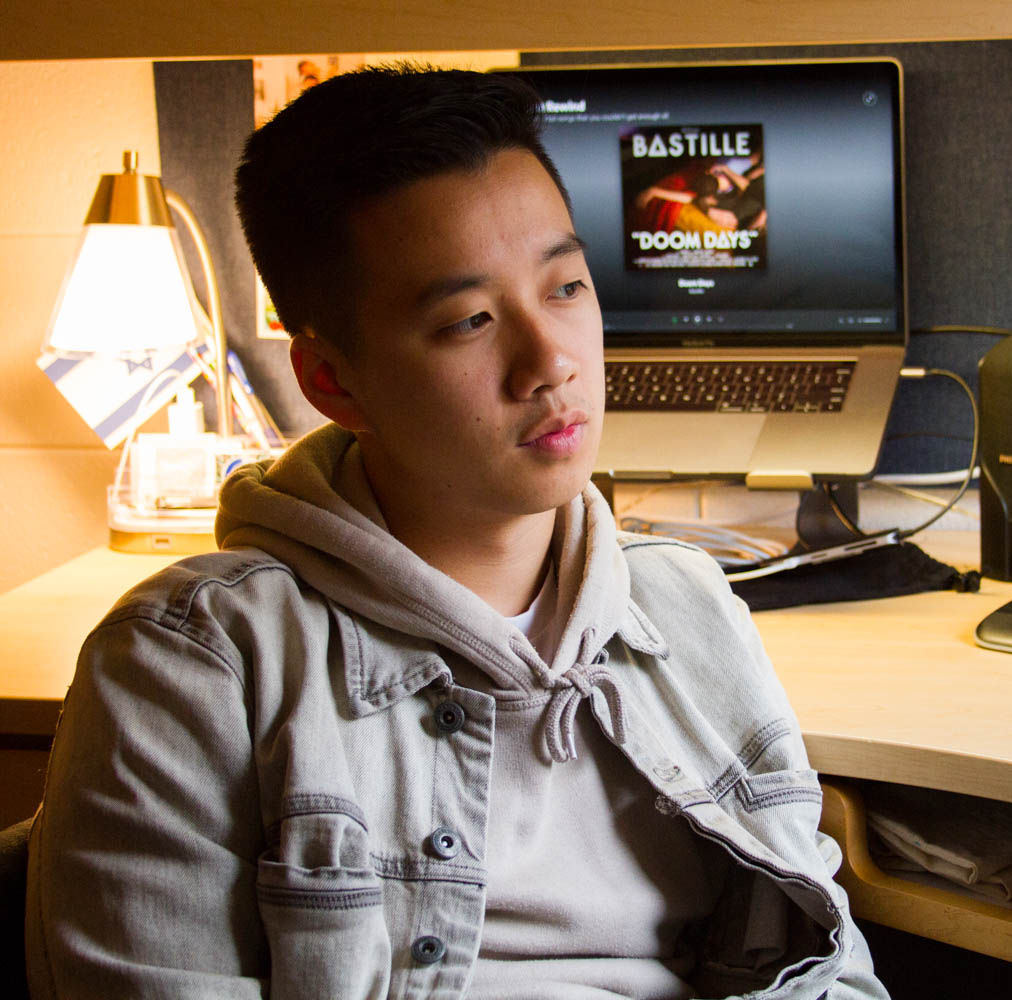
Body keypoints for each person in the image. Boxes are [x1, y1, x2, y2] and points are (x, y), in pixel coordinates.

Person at [24, 66, 889, 1000]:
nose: (551, 362)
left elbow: (826, 972)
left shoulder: (687, 606)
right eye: (471, 319)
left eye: (565, 286)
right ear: (330, 382)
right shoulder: (194, 667)